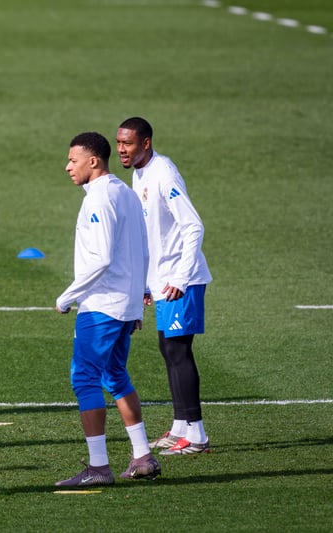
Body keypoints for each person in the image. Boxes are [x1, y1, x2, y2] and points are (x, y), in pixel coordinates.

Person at [54, 132, 160, 487]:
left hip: (102, 305)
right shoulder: (126, 193)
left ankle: (98, 466)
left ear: (93, 161)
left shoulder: (98, 199)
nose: (68, 167)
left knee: (84, 378)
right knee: (115, 375)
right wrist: (139, 299)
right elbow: (143, 248)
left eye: (73, 160)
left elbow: (101, 258)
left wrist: (68, 296)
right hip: (124, 303)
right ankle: (143, 456)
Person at [116, 117, 213, 455]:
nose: (121, 149)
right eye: (119, 143)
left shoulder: (164, 173)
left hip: (180, 280)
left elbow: (193, 226)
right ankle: (180, 427)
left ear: (146, 143)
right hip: (162, 280)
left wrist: (181, 278)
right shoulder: (139, 173)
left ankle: (197, 436)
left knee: (178, 351)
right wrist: (146, 282)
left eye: (128, 143)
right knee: (168, 350)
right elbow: (150, 234)